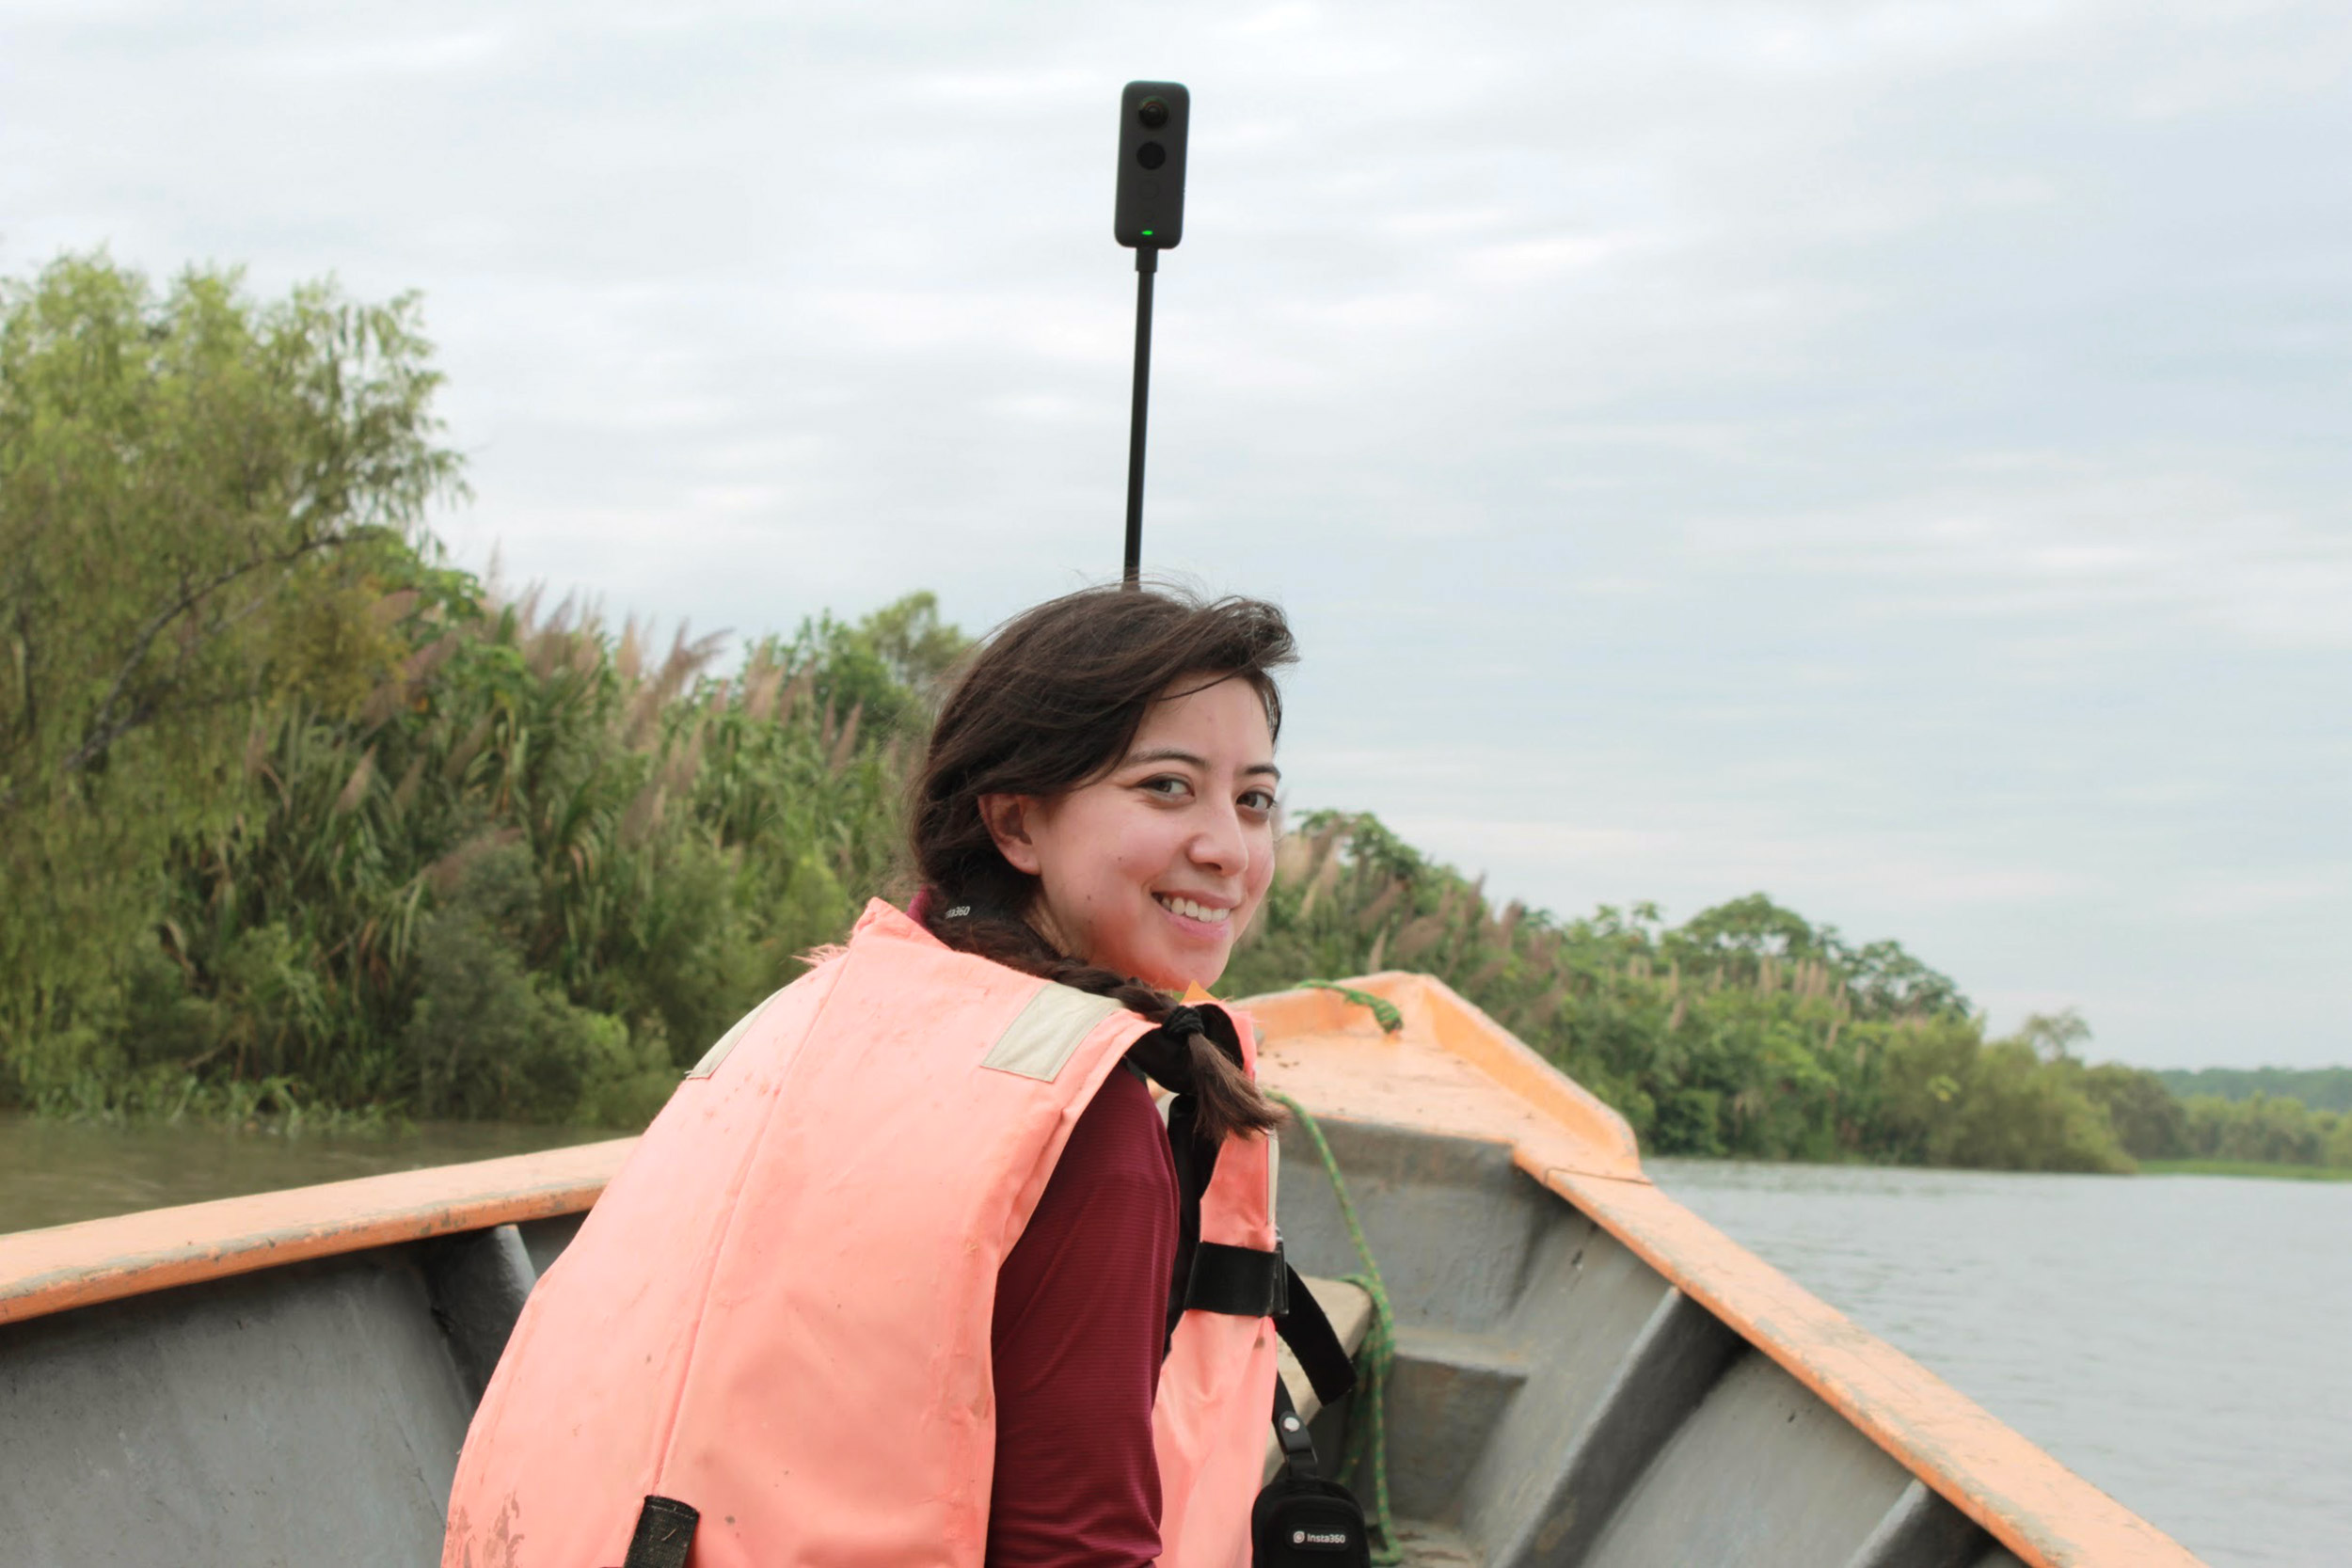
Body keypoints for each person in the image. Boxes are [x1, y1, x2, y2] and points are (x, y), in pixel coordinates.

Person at [442, 585, 1298, 1568]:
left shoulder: (809, 1012)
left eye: (1254, 799)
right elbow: (1074, 1544)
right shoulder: (1088, 1123)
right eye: (1165, 787)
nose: (1227, 849)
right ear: (1016, 823)